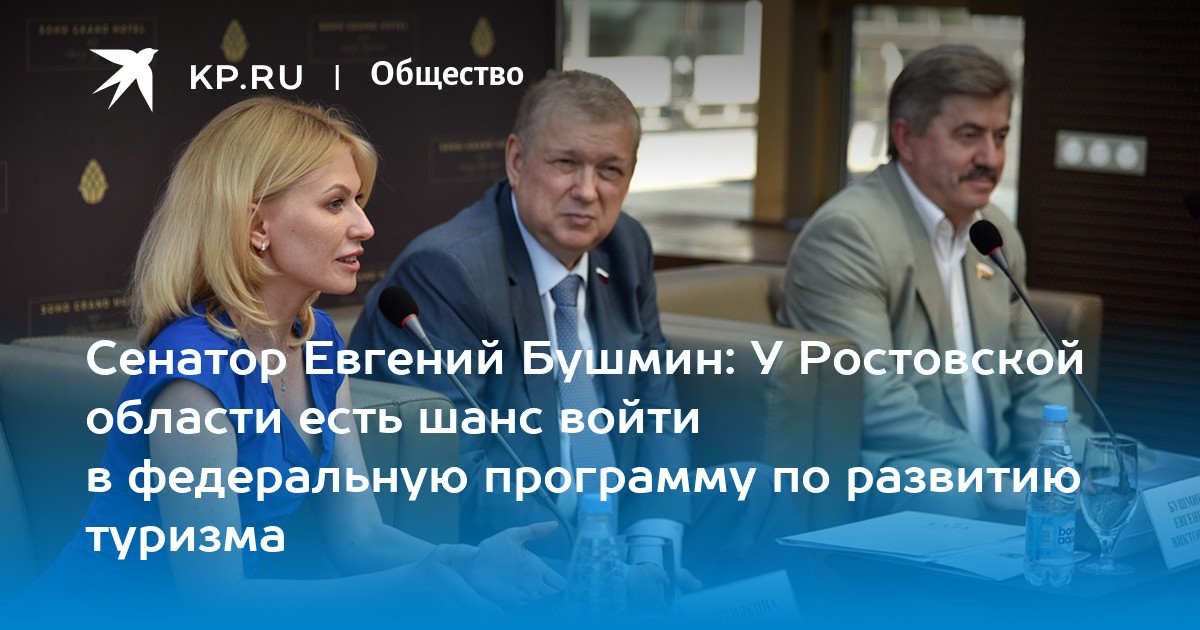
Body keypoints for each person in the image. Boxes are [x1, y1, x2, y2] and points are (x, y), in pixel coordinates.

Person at [22, 96, 560, 622]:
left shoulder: (317, 340)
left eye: (358, 201)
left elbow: (360, 537)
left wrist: (469, 563)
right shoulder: (193, 370)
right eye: (335, 203)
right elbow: (215, 603)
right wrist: (415, 586)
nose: (365, 227)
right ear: (257, 226)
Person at [350, 70, 797, 587]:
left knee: (757, 494)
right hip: (530, 536)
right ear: (517, 161)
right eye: (566, 163)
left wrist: (654, 549)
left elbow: (653, 396)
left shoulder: (625, 245)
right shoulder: (449, 271)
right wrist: (601, 561)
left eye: (610, 170)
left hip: (622, 517)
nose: (587, 191)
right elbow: (454, 468)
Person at [778, 44, 1094, 518]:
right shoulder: (850, 234)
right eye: (969, 136)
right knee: (952, 497)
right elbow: (873, 399)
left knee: (1128, 472)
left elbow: (1036, 369)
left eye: (1000, 136)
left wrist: (1064, 463)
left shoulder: (993, 231)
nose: (991, 157)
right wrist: (990, 478)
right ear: (906, 138)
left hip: (997, 465)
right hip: (893, 467)